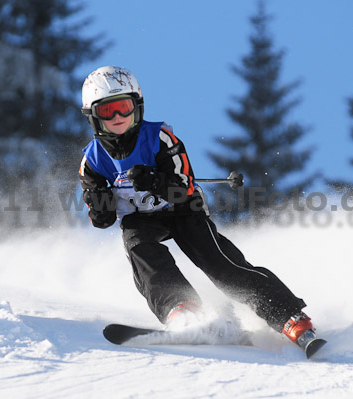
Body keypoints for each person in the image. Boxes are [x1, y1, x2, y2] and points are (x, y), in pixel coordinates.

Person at [78, 65, 319, 348]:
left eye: (124, 107)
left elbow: (184, 187)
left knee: (219, 264)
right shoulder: (92, 162)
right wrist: (99, 205)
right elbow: (103, 220)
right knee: (141, 251)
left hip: (182, 209)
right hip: (139, 218)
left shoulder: (160, 139)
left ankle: (288, 316)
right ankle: (183, 311)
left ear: (138, 106)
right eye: (108, 111)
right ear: (93, 117)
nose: (118, 117)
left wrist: (155, 181)